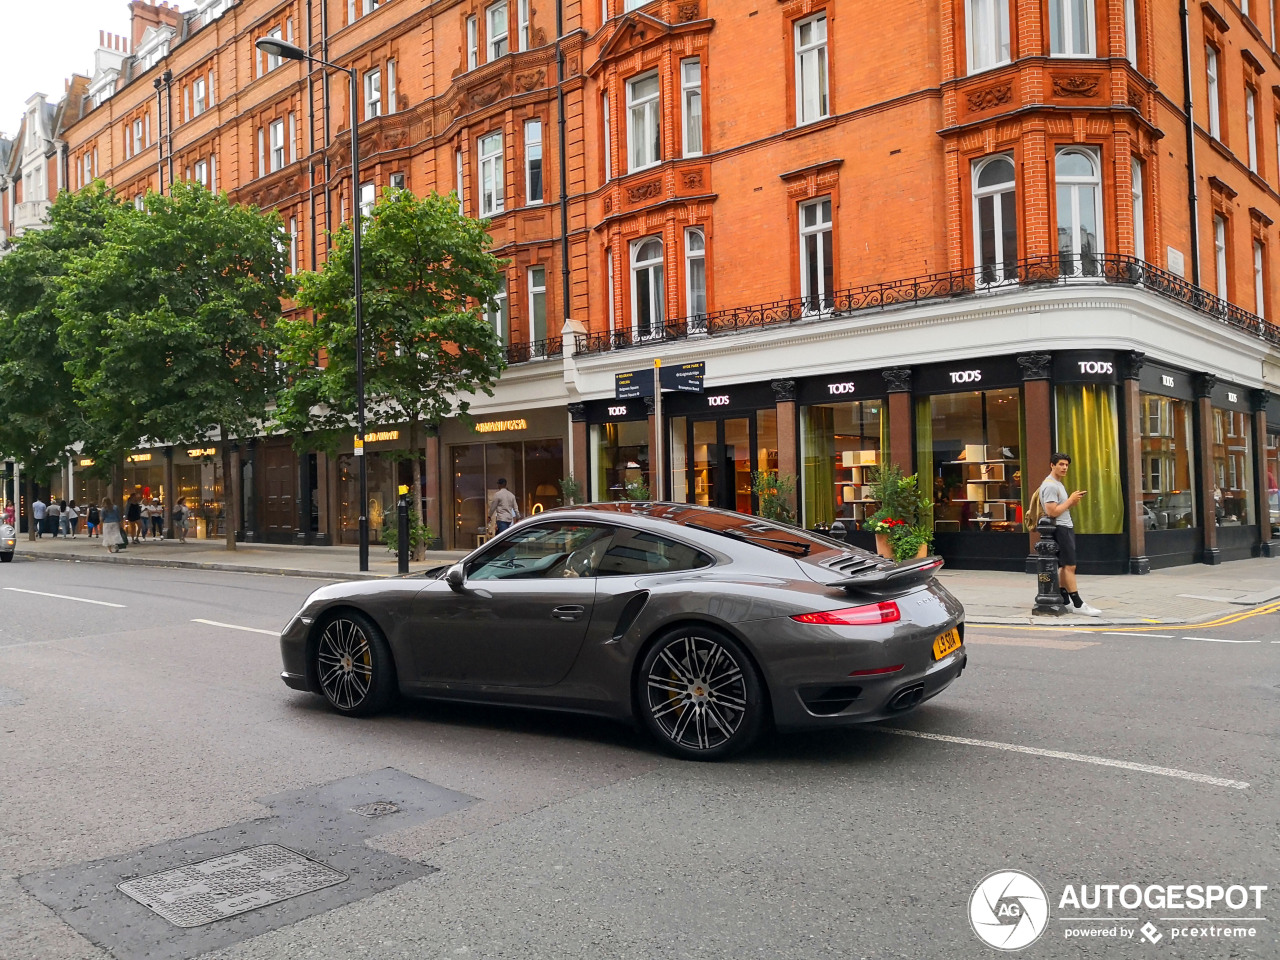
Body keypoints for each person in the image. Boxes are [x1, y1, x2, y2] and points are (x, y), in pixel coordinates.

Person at [1038, 452, 1101, 617]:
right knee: (1070, 566)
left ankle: (1065, 600)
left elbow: (1059, 509)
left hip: (1064, 526)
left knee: (1066, 565)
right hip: (1060, 528)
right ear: (1052, 465)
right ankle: (1078, 603)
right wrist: (1070, 501)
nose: (1064, 468)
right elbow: (1052, 512)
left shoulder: (1058, 484)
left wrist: (1071, 502)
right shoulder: (1051, 485)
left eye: (1066, 465)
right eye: (1061, 464)